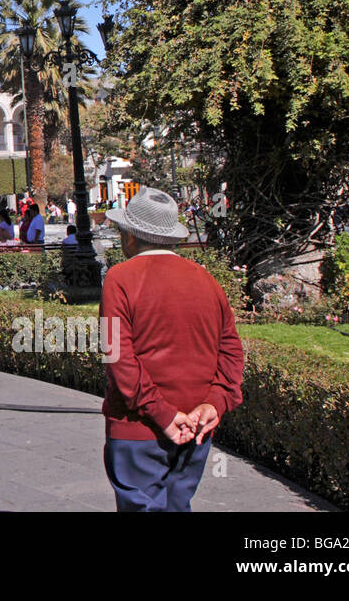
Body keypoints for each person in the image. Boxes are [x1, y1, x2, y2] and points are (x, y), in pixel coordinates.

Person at [100, 188, 244, 512]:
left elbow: (116, 355)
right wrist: (215, 403)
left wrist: (163, 415)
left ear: (132, 237)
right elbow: (232, 349)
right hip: (196, 426)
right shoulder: (206, 279)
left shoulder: (119, 278)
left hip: (138, 428)